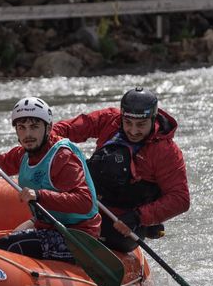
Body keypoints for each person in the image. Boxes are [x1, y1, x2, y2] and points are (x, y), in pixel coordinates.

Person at [0, 97, 101, 262]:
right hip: (48, 225)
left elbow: (85, 202)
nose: (28, 134)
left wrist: (39, 195)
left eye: (34, 127)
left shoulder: (63, 157)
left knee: (7, 247)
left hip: (77, 236)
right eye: (21, 128)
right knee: (2, 242)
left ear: (48, 128)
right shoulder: (23, 154)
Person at [52, 87, 190, 253]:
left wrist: (138, 217)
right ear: (122, 117)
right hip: (88, 203)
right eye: (128, 123)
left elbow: (180, 199)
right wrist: (45, 139)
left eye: (141, 125)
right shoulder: (110, 120)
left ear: (153, 120)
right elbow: (68, 128)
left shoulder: (166, 152)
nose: (133, 131)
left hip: (124, 223)